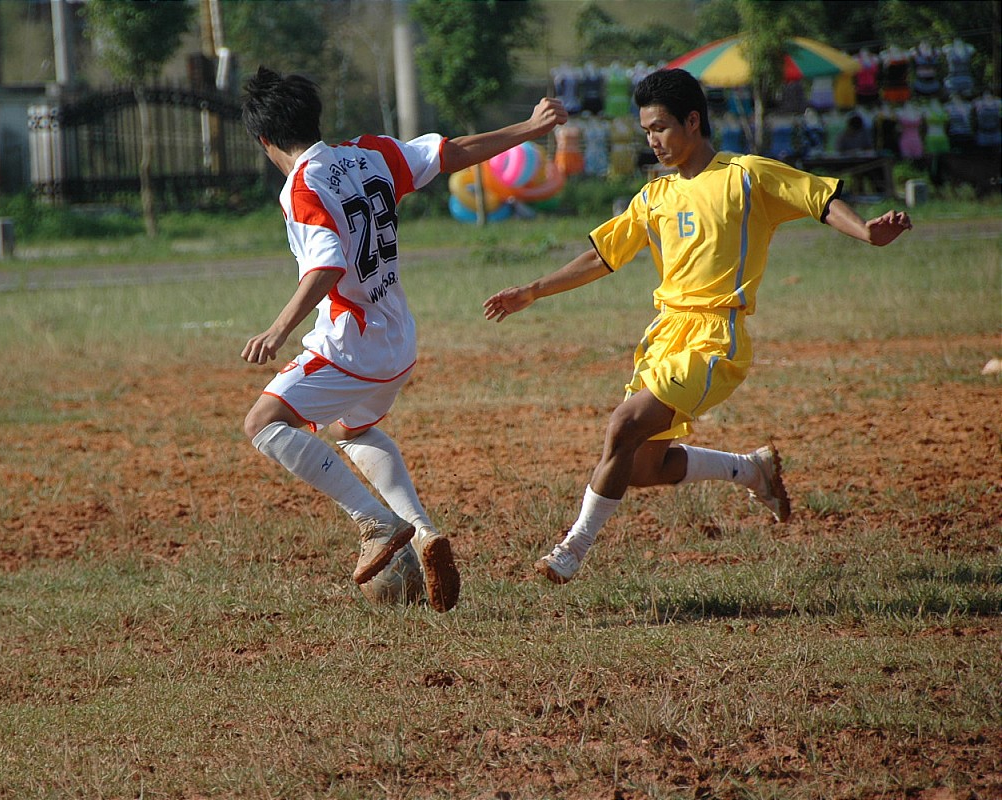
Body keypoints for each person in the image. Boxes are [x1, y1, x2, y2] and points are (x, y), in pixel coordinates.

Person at [482, 69, 912, 585]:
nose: (653, 140)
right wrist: (533, 290)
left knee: (623, 425)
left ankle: (572, 549)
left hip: (715, 338)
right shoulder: (655, 195)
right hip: (666, 336)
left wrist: (866, 232)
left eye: (660, 128)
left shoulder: (745, 176)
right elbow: (601, 256)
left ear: (692, 121)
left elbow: (816, 197)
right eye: (646, 131)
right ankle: (751, 470)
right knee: (642, 468)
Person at [239, 66, 567, 610]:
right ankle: (421, 530)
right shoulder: (371, 153)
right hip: (398, 341)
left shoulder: (301, 186)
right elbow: (452, 152)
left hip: (349, 346)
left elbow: (326, 265)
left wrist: (277, 329)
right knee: (351, 429)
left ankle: (374, 522)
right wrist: (530, 129)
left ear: (264, 139)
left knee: (262, 423)